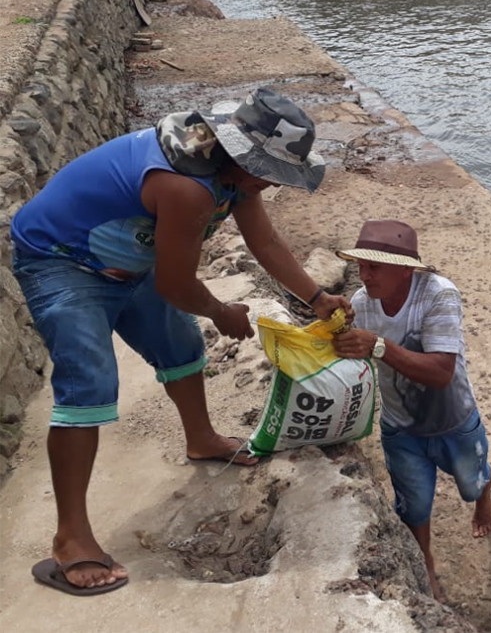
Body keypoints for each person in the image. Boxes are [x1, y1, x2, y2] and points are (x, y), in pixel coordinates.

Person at [10, 87, 352, 596]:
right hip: (63, 259)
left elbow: (265, 242)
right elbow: (175, 285)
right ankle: (70, 538)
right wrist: (220, 311)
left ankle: (202, 438)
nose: (271, 182)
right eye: (270, 170)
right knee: (90, 383)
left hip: (130, 263)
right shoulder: (186, 187)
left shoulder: (232, 174)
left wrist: (316, 296)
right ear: (240, 153)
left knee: (181, 346)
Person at [333, 220, 491, 601]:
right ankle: (426, 565)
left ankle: (483, 497)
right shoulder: (360, 304)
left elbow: (441, 373)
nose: (364, 274)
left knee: (472, 481)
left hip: (453, 417)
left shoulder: (440, 295)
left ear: (406, 269)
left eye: (375, 267)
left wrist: (378, 346)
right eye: (361, 265)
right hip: (400, 425)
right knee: (414, 505)